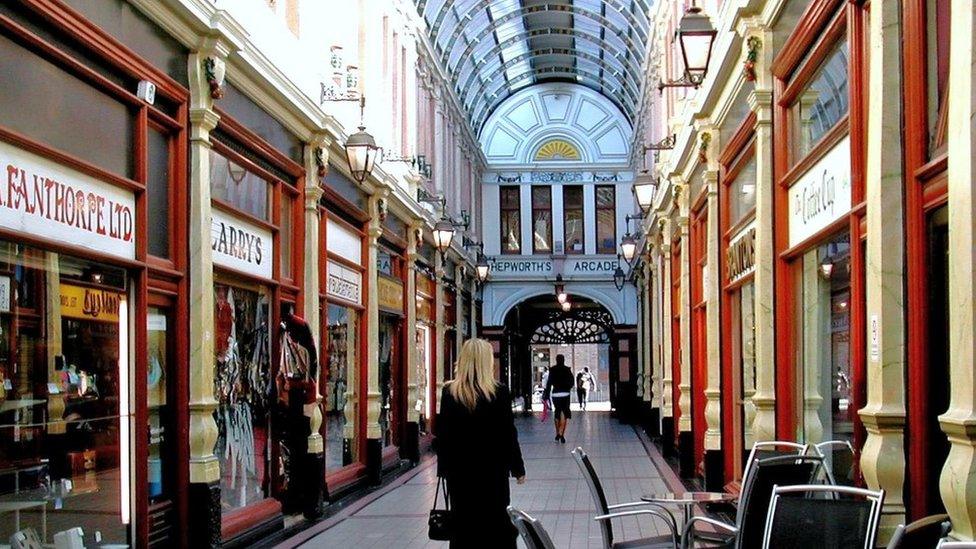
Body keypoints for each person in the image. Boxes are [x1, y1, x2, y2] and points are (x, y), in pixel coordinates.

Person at [435, 339, 526, 549]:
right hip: (493, 472)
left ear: (463, 361)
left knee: (464, 526)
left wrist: (444, 470)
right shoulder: (499, 392)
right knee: (496, 523)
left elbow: (444, 435)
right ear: (486, 362)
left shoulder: (450, 393)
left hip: (460, 475)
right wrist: (517, 468)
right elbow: (508, 435)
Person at [543, 354, 574, 443]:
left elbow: (549, 383)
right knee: (564, 413)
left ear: (556, 360)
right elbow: (571, 382)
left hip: (555, 394)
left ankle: (557, 433)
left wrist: (546, 395)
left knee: (557, 412)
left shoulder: (552, 370)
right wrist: (567, 388)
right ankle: (561, 434)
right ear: (563, 360)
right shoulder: (567, 369)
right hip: (565, 394)